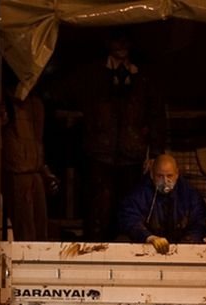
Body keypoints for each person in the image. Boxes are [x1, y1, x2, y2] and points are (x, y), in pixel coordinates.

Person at [47, 29, 166, 241]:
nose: (121, 45)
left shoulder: (143, 77)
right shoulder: (91, 74)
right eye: (116, 39)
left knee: (129, 209)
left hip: (131, 155)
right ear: (107, 42)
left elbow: (156, 114)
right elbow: (60, 94)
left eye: (125, 40)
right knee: (97, 211)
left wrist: (155, 152)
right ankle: (96, 254)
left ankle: (125, 255)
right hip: (98, 154)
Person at [0, 84, 59, 242]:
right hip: (18, 171)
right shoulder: (6, 98)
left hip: (34, 170)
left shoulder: (36, 102)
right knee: (26, 232)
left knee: (40, 231)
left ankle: (36, 263)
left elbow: (37, 141)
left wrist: (44, 171)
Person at [118, 154, 206, 254]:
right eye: (160, 176)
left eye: (169, 176)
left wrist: (186, 244)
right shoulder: (140, 193)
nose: (165, 181)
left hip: (182, 247)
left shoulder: (190, 194)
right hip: (148, 246)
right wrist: (149, 237)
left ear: (177, 174)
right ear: (152, 175)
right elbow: (129, 219)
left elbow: (199, 223)